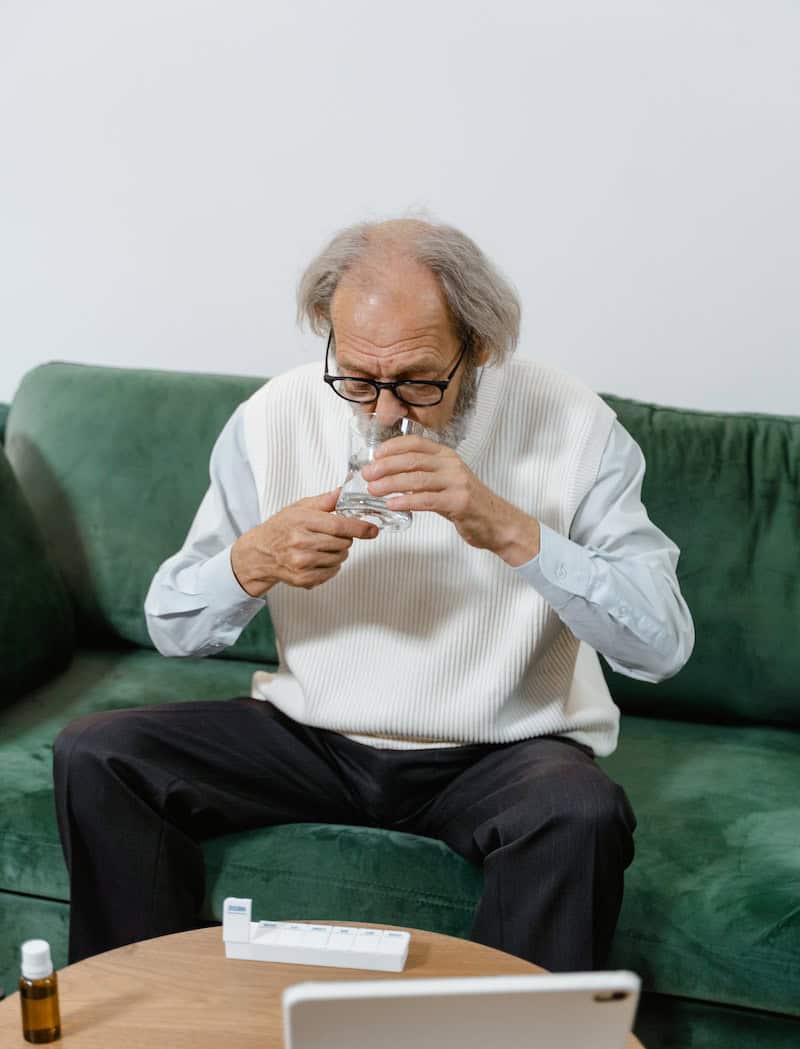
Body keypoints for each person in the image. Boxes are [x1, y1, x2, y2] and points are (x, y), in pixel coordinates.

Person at [54, 217, 694, 970]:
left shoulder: (575, 424)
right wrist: (252, 561)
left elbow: (662, 645)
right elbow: (173, 625)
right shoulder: (271, 418)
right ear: (328, 335)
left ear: (480, 348)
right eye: (358, 380)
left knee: (580, 813)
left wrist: (507, 527)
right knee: (99, 754)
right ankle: (139, 1022)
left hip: (500, 748)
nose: (386, 412)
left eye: (419, 381)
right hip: (312, 739)